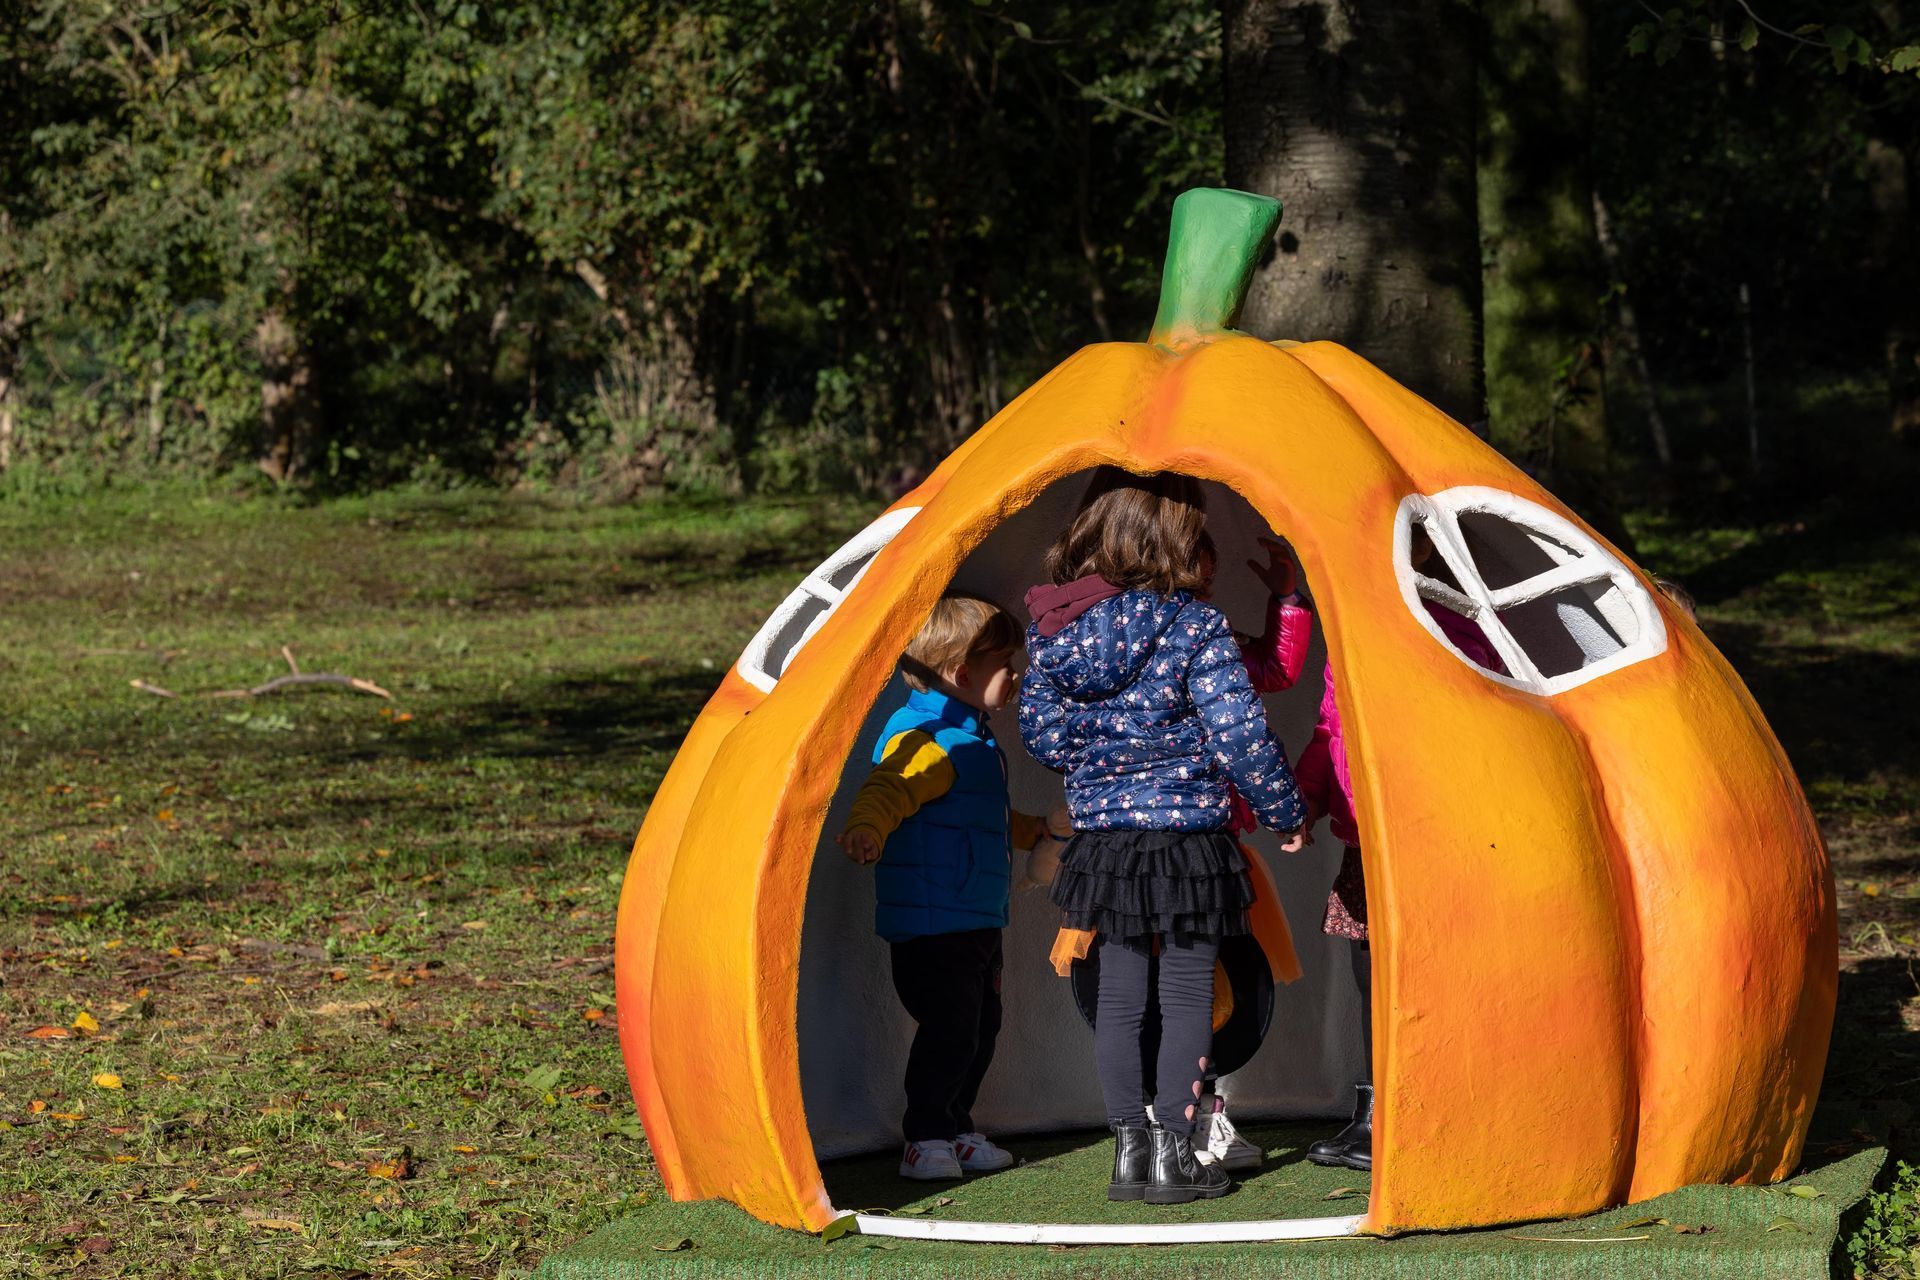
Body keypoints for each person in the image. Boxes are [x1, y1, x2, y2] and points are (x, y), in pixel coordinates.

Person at [1021, 468, 1307, 1206]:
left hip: (1106, 844)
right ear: (1177, 542)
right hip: (1187, 840)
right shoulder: (1195, 627)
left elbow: (1042, 735)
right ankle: (1175, 1160)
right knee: (1184, 997)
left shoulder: (1054, 632)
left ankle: (1128, 1156)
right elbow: (1241, 732)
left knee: (1119, 1001)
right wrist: (1283, 811)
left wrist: (1101, 758)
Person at [837, 594, 1071, 1182]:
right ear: (963, 674)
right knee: (951, 1027)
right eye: (1006, 664)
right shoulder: (929, 737)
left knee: (980, 1025)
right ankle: (925, 1138)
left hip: (971, 916)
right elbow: (890, 788)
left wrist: (1032, 830)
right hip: (933, 922)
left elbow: (979, 817)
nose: (1017, 674)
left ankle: (957, 1126)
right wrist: (868, 828)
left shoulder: (971, 739)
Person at [1297, 526, 1504, 1172]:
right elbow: (1331, 723)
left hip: (1423, 831)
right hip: (1366, 832)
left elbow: (1478, 703)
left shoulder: (1448, 622)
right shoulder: (1352, 627)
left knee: (1427, 968)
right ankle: (1375, 1105)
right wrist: (1303, 797)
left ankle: (1429, 1104)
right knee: (1368, 970)